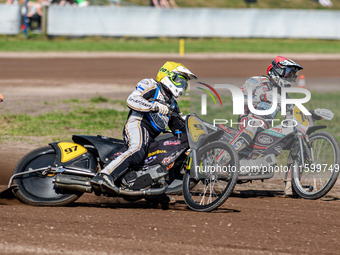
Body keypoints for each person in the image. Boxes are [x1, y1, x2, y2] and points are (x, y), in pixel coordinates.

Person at [91, 61, 197, 191]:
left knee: (157, 158)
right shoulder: (151, 85)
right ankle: (104, 175)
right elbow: (132, 100)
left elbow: (178, 128)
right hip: (138, 124)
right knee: (137, 150)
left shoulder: (172, 104)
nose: (182, 86)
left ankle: (153, 188)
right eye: (180, 81)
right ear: (168, 77)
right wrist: (155, 107)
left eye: (184, 84)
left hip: (151, 136)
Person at [228, 56, 303, 153]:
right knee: (254, 125)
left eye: (292, 75)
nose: (290, 78)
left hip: (265, 129)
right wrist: (261, 97)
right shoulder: (257, 81)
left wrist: (309, 117)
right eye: (288, 74)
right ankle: (225, 156)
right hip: (248, 121)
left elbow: (291, 116)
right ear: (277, 71)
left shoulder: (283, 94)